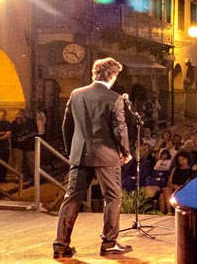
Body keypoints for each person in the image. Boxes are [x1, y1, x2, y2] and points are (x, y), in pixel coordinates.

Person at [54, 58, 132, 258]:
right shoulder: (114, 98)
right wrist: (125, 151)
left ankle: (61, 246)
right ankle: (109, 243)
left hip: (79, 154)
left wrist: (71, 150)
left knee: (71, 199)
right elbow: (119, 129)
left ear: (94, 74)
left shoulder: (76, 95)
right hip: (106, 156)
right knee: (113, 198)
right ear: (112, 75)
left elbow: (66, 126)